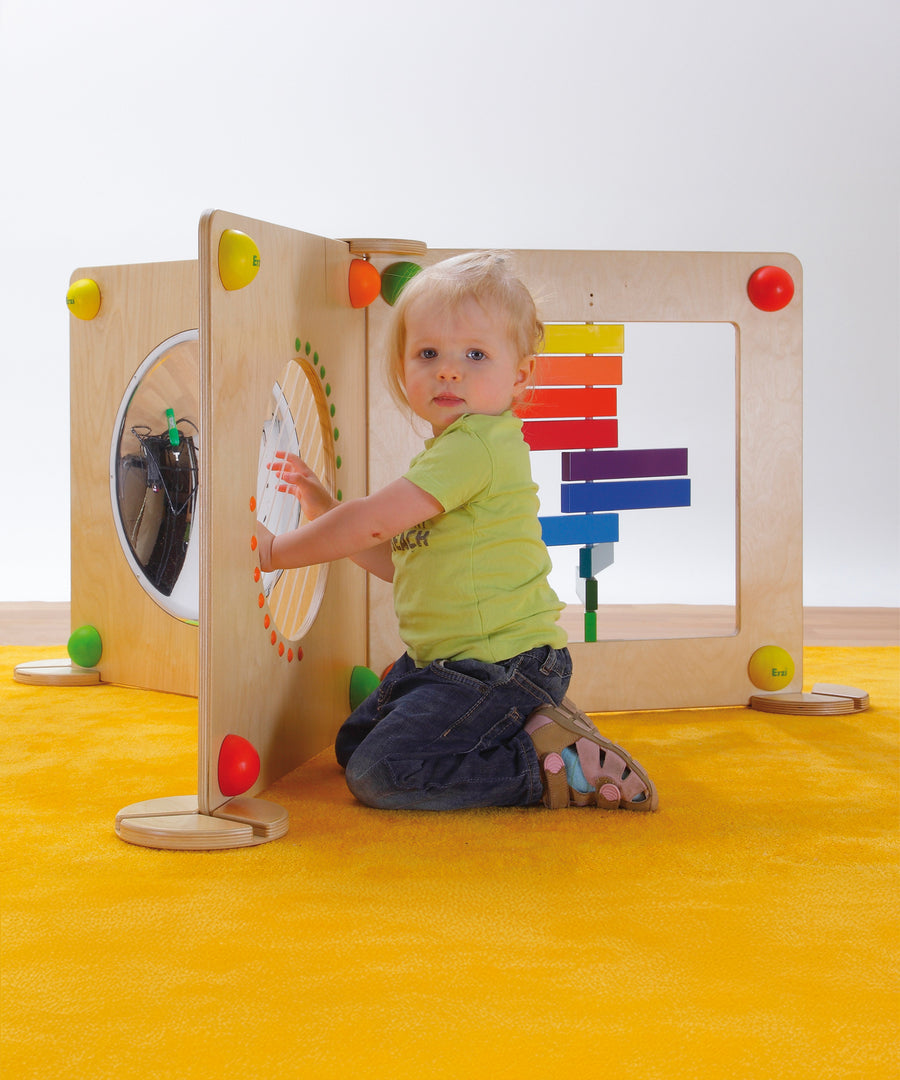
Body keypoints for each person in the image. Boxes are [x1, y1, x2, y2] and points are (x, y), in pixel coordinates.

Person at [256, 251, 657, 813]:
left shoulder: (475, 447)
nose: (448, 370)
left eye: (474, 354)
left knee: (381, 773)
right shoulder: (455, 452)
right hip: (447, 667)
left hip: (502, 666)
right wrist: (323, 507)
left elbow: (371, 520)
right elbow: (399, 561)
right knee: (353, 746)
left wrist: (274, 551)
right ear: (403, 367)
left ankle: (545, 770)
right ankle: (541, 731)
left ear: (520, 375)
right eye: (428, 354)